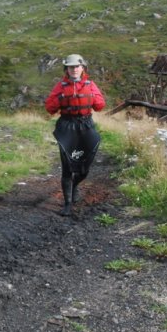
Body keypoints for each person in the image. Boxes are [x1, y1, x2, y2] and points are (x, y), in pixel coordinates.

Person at [44, 54, 106, 216]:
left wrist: (93, 98)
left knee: (85, 167)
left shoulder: (90, 85)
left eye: (77, 66)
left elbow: (100, 106)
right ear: (67, 69)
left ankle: (74, 185)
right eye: (71, 67)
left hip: (85, 125)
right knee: (67, 167)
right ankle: (67, 204)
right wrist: (60, 98)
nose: (74, 69)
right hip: (67, 126)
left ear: (83, 68)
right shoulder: (60, 86)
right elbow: (50, 108)